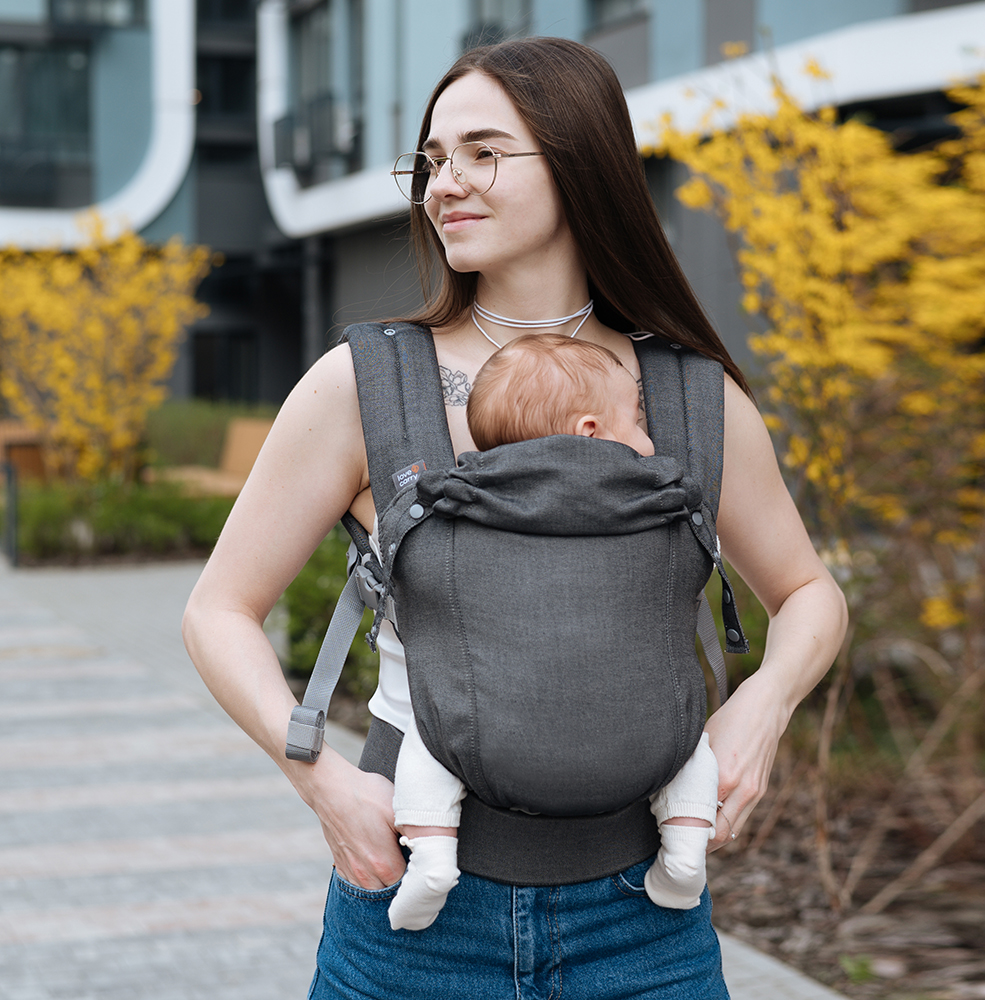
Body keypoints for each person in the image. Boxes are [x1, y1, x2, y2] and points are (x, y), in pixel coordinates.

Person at [183, 35, 847, 1000]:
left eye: (483, 153)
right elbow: (218, 609)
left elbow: (808, 591)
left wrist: (765, 706)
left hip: (645, 921)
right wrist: (320, 779)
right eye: (433, 160)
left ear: (582, 162)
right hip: (412, 912)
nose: (445, 182)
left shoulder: (689, 395)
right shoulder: (364, 384)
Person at [388, 334, 720, 931]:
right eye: (638, 421)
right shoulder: (657, 500)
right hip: (640, 747)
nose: (647, 439)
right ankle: (686, 851)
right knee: (690, 745)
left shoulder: (465, 500)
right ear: (591, 429)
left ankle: (432, 858)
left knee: (427, 736)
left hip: (480, 746)